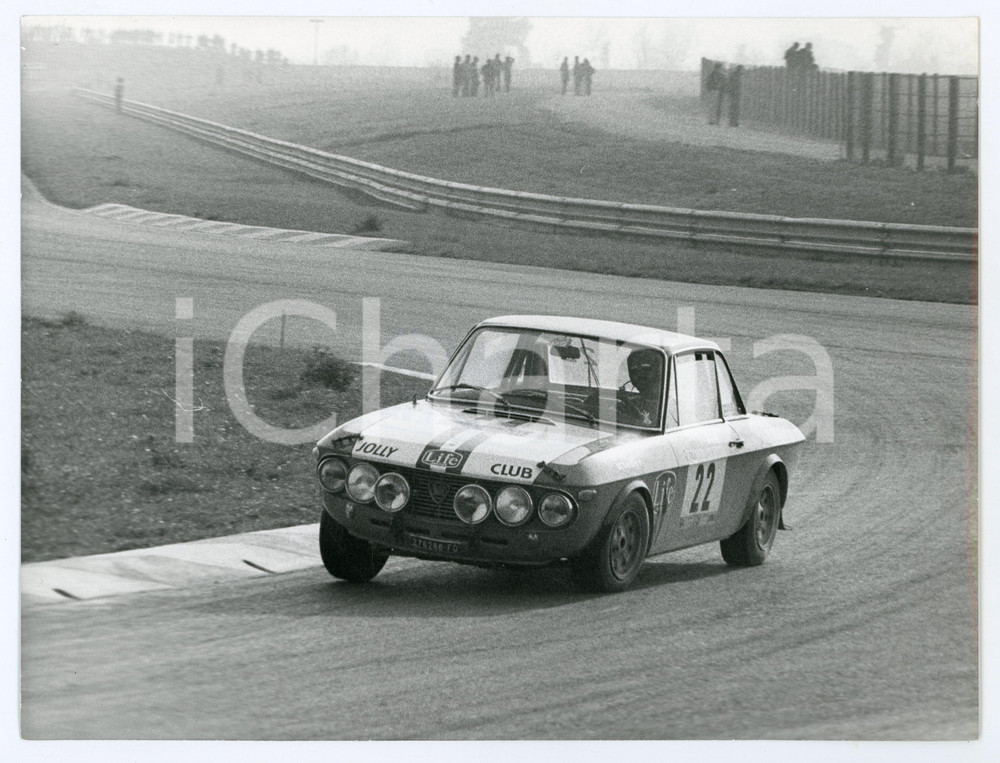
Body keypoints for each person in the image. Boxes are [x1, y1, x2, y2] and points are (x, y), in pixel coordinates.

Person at [620, 349, 665, 427]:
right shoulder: (628, 405)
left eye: (646, 369)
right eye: (634, 371)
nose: (640, 375)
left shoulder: (671, 405)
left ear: (659, 371)